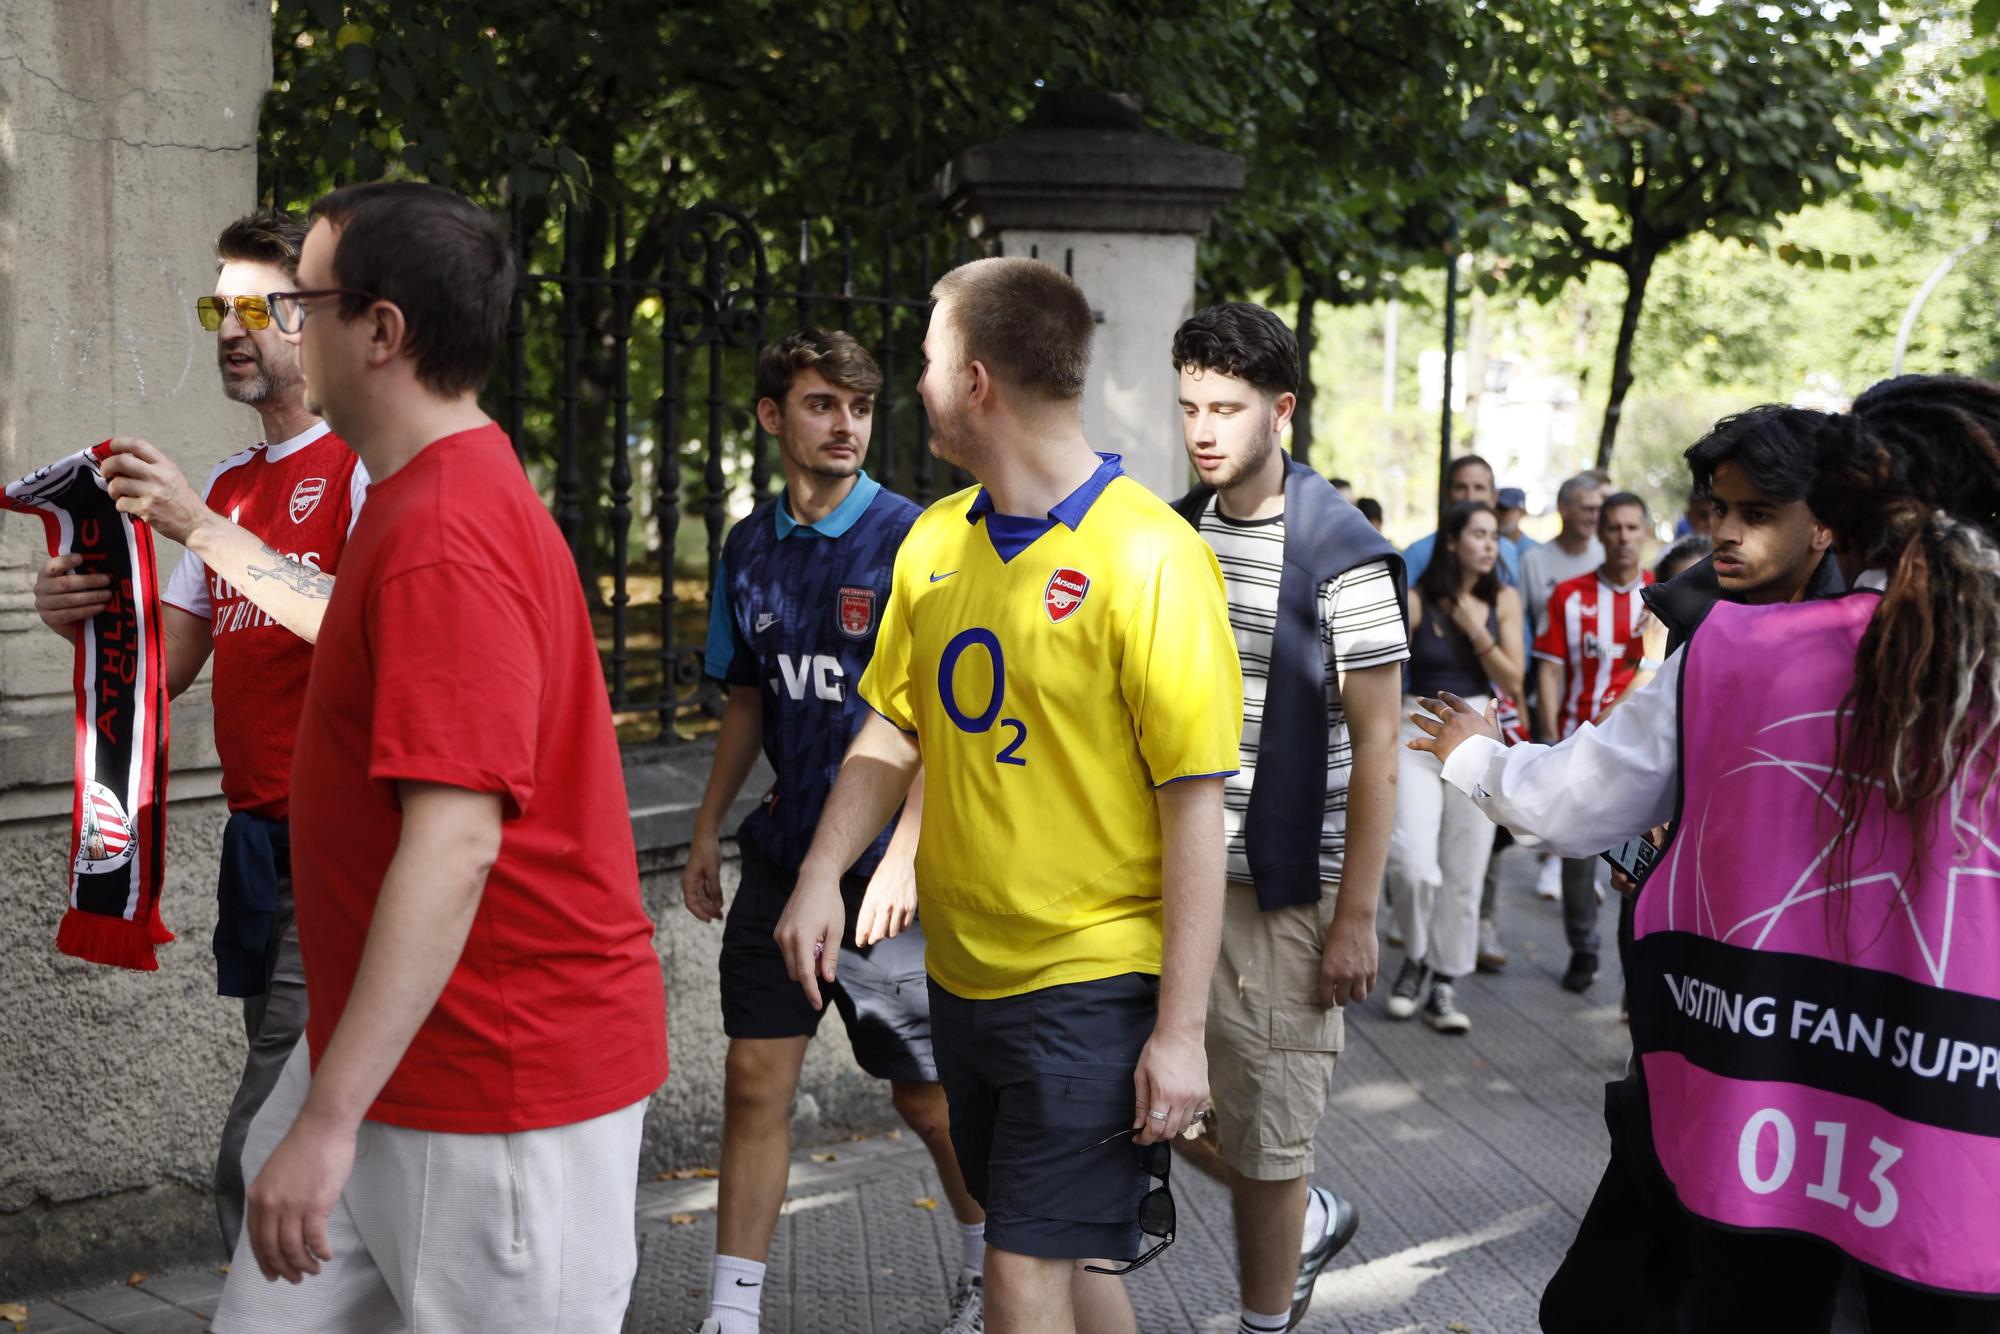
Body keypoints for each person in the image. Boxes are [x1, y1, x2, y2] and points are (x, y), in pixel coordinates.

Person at [1411, 374, 2000, 1333]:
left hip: (1756, 1100)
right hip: (1957, 1129)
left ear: (1840, 514)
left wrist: (1473, 755)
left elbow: (1575, 802)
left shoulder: (1735, 650)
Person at [210, 182, 668, 1333]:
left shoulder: (444, 534)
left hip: (500, 1088)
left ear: (380, 329)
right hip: (394, 1059)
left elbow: (456, 839)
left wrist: (323, 1116)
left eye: (302, 299)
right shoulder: (417, 500)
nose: (283, 325)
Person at [772, 257, 1242, 1334]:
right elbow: (894, 723)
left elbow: (1193, 808)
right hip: (963, 977)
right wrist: (817, 874)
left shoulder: (1151, 558)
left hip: (1087, 982)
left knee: (1017, 1268)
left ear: (976, 379)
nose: (918, 380)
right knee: (1064, 1256)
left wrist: (1179, 1030)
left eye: (929, 359)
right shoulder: (936, 539)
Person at [29, 211, 367, 1255]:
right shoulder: (225, 484)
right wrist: (74, 616)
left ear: (307, 320)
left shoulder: (357, 465)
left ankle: (266, 1308)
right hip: (256, 838)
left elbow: (352, 629)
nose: (230, 326)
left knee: (261, 1137)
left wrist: (191, 525)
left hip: (342, 839)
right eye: (217, 306)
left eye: (255, 305)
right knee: (300, 1092)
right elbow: (161, 669)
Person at [683, 328, 986, 1334]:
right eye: (821, 404)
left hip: (890, 870)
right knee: (753, 1077)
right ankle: (732, 1309)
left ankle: (991, 1254)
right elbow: (745, 699)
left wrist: (904, 853)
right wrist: (703, 829)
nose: (845, 423)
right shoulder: (745, 545)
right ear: (772, 416)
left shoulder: (917, 535)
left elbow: (942, 717)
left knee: (927, 1099)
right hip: (780, 854)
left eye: (857, 406)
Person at [1169, 303, 1403, 1333]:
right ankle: (1301, 1212)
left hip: (1278, 891)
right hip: (1167, 874)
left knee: (1264, 1132)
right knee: (1128, 1087)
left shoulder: (1341, 552)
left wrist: (1357, 914)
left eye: (1225, 407)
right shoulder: (1173, 535)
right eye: (1189, 407)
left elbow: (1382, 743)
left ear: (1282, 410)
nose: (1204, 429)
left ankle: (1269, 1299)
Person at [1384, 501, 1523, 1033]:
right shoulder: (1418, 599)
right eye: (1479, 535)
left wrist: (1473, 626)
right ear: (1452, 542)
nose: (1490, 545)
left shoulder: (1503, 599)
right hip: (1419, 727)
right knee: (1413, 863)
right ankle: (1417, 954)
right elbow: (1389, 668)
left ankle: (1445, 978)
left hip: (1479, 731)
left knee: (1465, 869)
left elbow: (1511, 681)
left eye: (1494, 536)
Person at [1532, 492, 1653, 993]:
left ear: (1645, 532)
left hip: (1645, 753)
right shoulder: (1570, 595)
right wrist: (1551, 737)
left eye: (1632, 527)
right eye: (1614, 528)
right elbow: (1549, 669)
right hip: (1580, 746)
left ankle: (1638, 966)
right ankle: (1583, 949)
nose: (1624, 537)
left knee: (1640, 861)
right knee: (1577, 857)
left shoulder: (1664, 594)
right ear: (1599, 534)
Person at [1643, 406, 1842, 658]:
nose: (1725, 533)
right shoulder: (1692, 615)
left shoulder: (1873, 630)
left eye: (1757, 515)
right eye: (1720, 509)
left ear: (1824, 526)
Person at [1400, 454, 1522, 584]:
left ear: (1494, 497)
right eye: (1461, 488)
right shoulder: (1418, 553)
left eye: (1479, 488)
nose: (1470, 497)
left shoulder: (1507, 550)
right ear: (1447, 494)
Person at [1496, 485, 1535, 552]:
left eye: (1505, 509)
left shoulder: (1533, 549)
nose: (1500, 514)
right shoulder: (1490, 544)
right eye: (1498, 509)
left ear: (1522, 512)